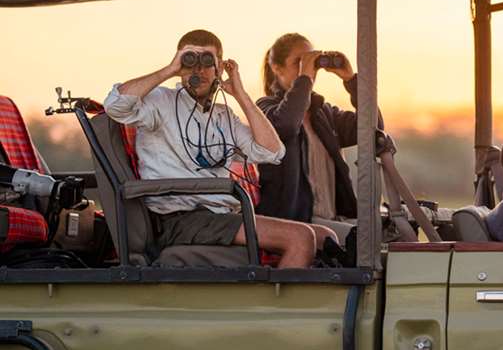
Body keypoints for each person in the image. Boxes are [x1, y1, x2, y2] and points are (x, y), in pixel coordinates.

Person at [103, 29, 337, 268]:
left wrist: (241, 94)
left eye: (207, 62)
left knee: (325, 237)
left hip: (220, 217)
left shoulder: (223, 116)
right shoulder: (160, 102)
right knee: (300, 238)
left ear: (219, 69)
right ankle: (274, 306)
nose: (198, 70)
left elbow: (272, 152)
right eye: (190, 61)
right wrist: (170, 69)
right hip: (179, 219)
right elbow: (115, 105)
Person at [256, 33, 384, 242]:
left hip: (333, 220)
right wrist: (304, 78)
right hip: (294, 224)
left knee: (384, 235)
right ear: (276, 68)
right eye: (298, 62)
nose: (307, 68)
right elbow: (287, 125)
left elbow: (373, 129)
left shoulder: (323, 114)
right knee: (361, 242)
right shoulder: (264, 109)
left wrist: (351, 80)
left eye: (310, 62)